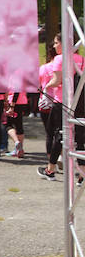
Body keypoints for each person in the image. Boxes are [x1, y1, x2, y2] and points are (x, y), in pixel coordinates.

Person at [37, 34, 85, 181]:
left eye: (56, 43)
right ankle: (82, 175)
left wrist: (45, 87)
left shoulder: (60, 58)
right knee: (81, 136)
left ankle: (50, 170)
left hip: (62, 102)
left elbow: (57, 80)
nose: (54, 46)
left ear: (64, 44)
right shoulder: (81, 59)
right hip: (80, 101)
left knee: (58, 134)